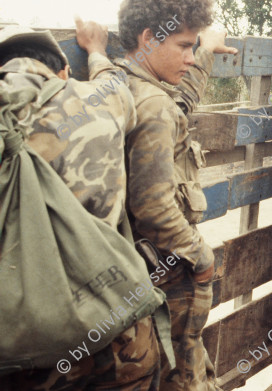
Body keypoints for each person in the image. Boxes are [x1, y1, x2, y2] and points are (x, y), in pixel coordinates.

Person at [0, 23, 161, 390]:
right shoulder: (102, 98)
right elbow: (115, 82)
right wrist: (95, 50)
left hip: (20, 351)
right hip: (116, 331)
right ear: (63, 71)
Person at [116, 0, 237, 389]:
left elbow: (180, 102)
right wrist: (201, 257)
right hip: (168, 264)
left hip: (139, 265)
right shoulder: (153, 106)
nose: (189, 57)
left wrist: (202, 51)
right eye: (184, 46)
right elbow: (152, 207)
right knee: (184, 371)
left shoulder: (126, 84)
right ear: (149, 38)